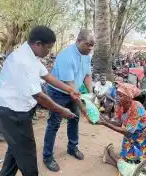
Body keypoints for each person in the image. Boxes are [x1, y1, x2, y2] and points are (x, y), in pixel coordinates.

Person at [0, 26, 78, 176]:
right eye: (49, 47)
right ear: (38, 44)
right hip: (11, 113)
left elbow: (47, 76)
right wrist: (62, 110)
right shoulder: (23, 61)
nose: (49, 52)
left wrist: (70, 89)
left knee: (15, 151)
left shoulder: (30, 56)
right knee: (27, 155)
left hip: (13, 110)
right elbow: (39, 96)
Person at [43, 29, 94, 172]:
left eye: (92, 46)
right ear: (78, 41)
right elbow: (70, 87)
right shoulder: (66, 56)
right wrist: (85, 109)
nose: (90, 48)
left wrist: (90, 94)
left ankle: (72, 147)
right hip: (58, 93)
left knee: (74, 119)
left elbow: (87, 76)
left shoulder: (87, 56)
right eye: (87, 44)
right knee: (54, 123)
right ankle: (47, 156)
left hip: (74, 92)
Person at [97, 83, 146, 175]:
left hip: (144, 135)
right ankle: (110, 155)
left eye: (120, 95)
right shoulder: (119, 106)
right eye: (117, 94)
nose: (117, 97)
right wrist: (103, 119)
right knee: (128, 160)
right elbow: (118, 123)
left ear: (129, 97)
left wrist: (105, 123)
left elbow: (128, 130)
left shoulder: (136, 107)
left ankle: (110, 155)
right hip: (130, 134)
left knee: (141, 162)